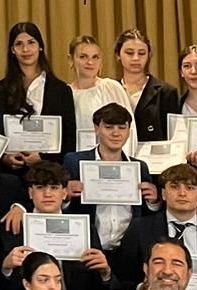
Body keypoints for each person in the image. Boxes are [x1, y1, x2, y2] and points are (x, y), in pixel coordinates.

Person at [0, 162, 113, 290]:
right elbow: (0, 288)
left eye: (54, 188)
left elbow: (99, 288)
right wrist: (6, 268)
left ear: (64, 193)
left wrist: (105, 272)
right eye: (40, 187)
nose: (47, 194)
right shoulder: (14, 228)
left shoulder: (84, 228)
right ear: (30, 193)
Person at [113, 163, 197, 290]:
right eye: (174, 187)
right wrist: (141, 288)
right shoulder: (140, 229)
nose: (182, 193)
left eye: (190, 188)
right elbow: (122, 278)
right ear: (163, 194)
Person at [64, 102, 159, 254]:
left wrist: (153, 202)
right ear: (96, 129)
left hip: (128, 249)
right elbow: (61, 208)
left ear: (129, 131)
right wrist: (65, 195)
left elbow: (148, 215)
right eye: (109, 127)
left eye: (122, 128)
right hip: (87, 247)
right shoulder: (74, 162)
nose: (116, 133)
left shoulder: (140, 167)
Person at [0, 21, 78, 169]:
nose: (25, 49)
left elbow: (69, 138)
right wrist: (5, 158)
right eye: (19, 44)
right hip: (12, 173)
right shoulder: (0, 90)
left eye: (31, 42)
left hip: (50, 173)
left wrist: (43, 158)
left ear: (40, 46)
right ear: (12, 50)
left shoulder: (61, 90)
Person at [114, 28, 180, 142]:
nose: (136, 58)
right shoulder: (111, 89)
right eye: (129, 53)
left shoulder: (165, 92)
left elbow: (174, 137)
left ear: (149, 55)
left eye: (141, 53)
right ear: (118, 54)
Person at [67, 35, 129, 135]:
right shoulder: (65, 94)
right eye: (83, 57)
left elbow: (129, 128)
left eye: (95, 57)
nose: (90, 62)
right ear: (71, 59)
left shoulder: (112, 88)